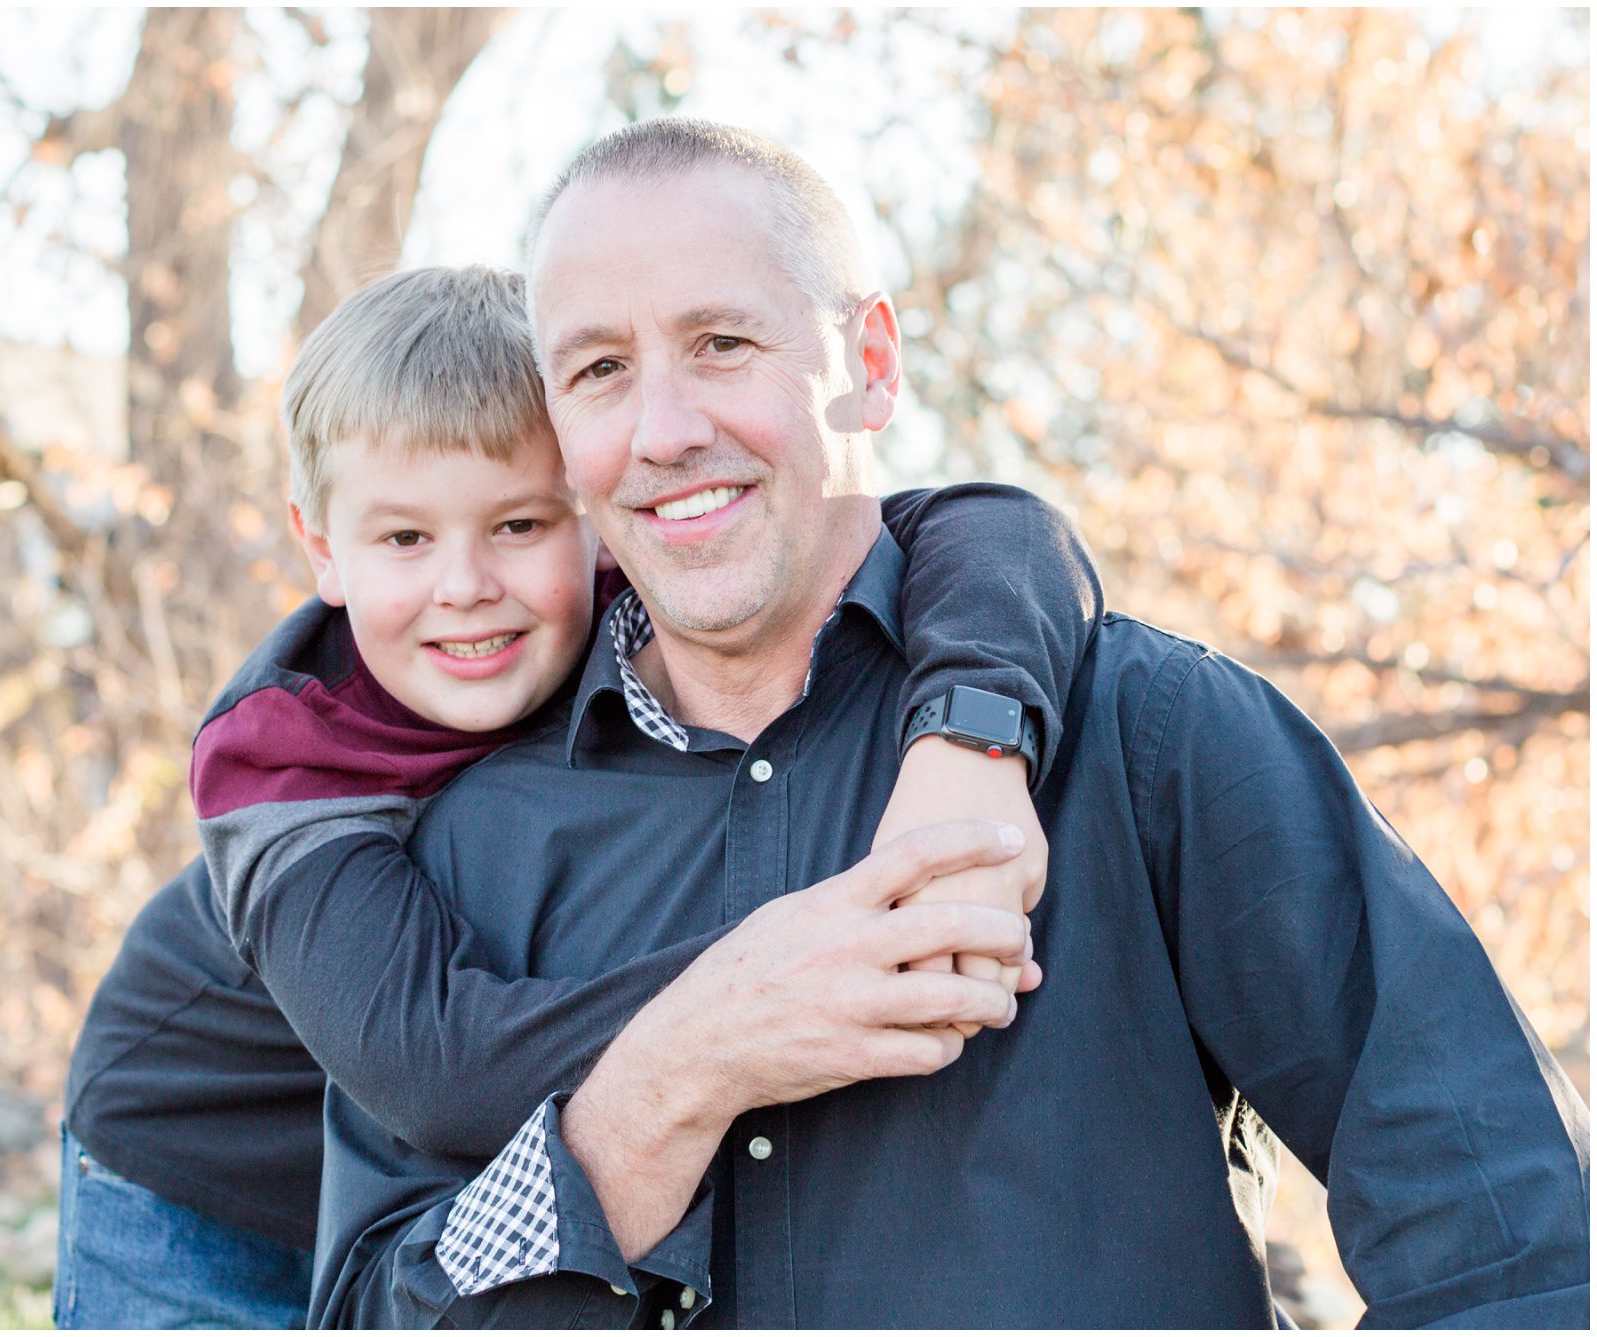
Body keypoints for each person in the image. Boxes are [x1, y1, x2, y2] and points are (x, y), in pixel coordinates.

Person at [309, 119, 1591, 1329]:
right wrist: (670, 1078)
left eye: (721, 344)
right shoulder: (466, 851)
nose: (663, 431)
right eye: (598, 371)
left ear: (869, 364)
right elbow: (375, 1307)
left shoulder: (1141, 736)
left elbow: (1503, 1228)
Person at [55, 264, 1103, 1327]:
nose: (465, 584)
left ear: (595, 509)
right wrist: (773, 978)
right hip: (200, 1172)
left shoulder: (636, 610)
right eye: (405, 538)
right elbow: (433, 1064)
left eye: (518, 524)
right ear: (322, 545)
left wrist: (968, 741)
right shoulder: (284, 759)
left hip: (420, 1186)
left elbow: (990, 528)